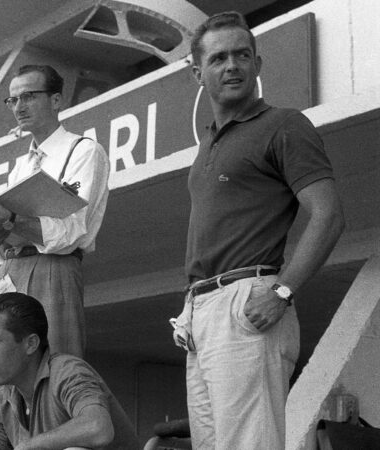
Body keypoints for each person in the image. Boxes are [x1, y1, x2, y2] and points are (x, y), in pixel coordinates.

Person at [172, 12, 345, 449]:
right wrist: (192, 310)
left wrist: (283, 292)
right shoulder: (208, 141)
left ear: (257, 64)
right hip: (201, 311)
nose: (231, 66)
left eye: (241, 55)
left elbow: (328, 215)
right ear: (198, 72)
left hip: (247, 302)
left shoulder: (284, 125)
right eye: (218, 58)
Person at [0, 64, 110, 433]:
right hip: (9, 270)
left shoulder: (83, 150)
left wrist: (8, 218)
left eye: (29, 96)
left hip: (52, 268)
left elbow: (70, 233)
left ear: (56, 99)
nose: (19, 105)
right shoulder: (21, 165)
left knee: (51, 374)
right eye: (13, 99)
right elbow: (10, 240)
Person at [0, 292, 139, 450]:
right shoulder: (5, 396)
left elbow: (98, 428)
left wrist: (32, 445)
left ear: (31, 344)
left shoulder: (68, 372)